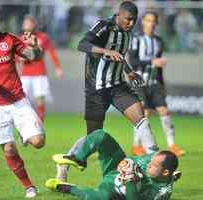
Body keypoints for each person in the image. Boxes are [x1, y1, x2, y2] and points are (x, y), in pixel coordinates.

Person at [55, 1, 160, 182]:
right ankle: (64, 164)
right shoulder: (103, 26)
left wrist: (129, 72)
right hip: (96, 89)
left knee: (142, 119)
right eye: (128, 19)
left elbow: (118, 55)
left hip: (118, 87)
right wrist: (104, 50)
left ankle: (158, 163)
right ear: (119, 15)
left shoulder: (128, 33)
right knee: (93, 138)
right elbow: (83, 44)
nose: (131, 23)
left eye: (134, 20)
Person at [0, 3, 45, 198]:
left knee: (38, 142)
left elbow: (34, 57)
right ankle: (29, 186)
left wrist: (35, 47)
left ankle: (25, 134)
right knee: (9, 148)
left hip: (18, 101)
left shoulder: (9, 39)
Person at [46, 129, 181, 199]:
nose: (148, 165)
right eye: (150, 162)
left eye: (153, 166)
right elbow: (133, 161)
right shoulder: (155, 159)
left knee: (101, 198)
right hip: (114, 169)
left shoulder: (163, 192)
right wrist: (125, 163)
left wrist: (130, 180)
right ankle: (79, 159)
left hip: (114, 191)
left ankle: (66, 188)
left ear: (165, 172)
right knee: (101, 135)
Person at [129, 11, 184, 157]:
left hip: (155, 81)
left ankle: (172, 145)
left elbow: (158, 65)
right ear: (143, 22)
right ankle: (136, 145)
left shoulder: (159, 41)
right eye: (148, 20)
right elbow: (133, 62)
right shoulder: (136, 39)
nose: (151, 24)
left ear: (156, 24)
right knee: (144, 113)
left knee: (164, 111)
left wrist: (162, 83)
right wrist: (152, 62)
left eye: (153, 21)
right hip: (139, 81)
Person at [19, 14, 63, 122]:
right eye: (25, 23)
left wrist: (58, 67)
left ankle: (40, 121)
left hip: (39, 73)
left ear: (34, 24)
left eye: (29, 23)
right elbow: (16, 57)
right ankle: (24, 121)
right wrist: (20, 60)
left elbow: (51, 52)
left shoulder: (43, 37)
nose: (27, 25)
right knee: (22, 100)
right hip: (25, 74)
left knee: (40, 98)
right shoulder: (20, 39)